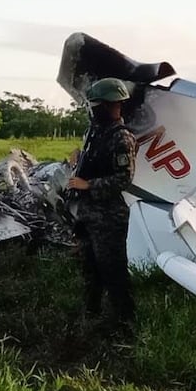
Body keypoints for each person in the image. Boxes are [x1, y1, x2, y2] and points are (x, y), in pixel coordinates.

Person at [66, 77, 138, 334]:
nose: (92, 109)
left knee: (114, 271)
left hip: (109, 217)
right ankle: (92, 314)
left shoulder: (122, 138)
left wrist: (89, 185)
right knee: (89, 268)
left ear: (110, 105)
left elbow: (124, 178)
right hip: (87, 214)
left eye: (97, 104)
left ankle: (125, 324)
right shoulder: (94, 133)